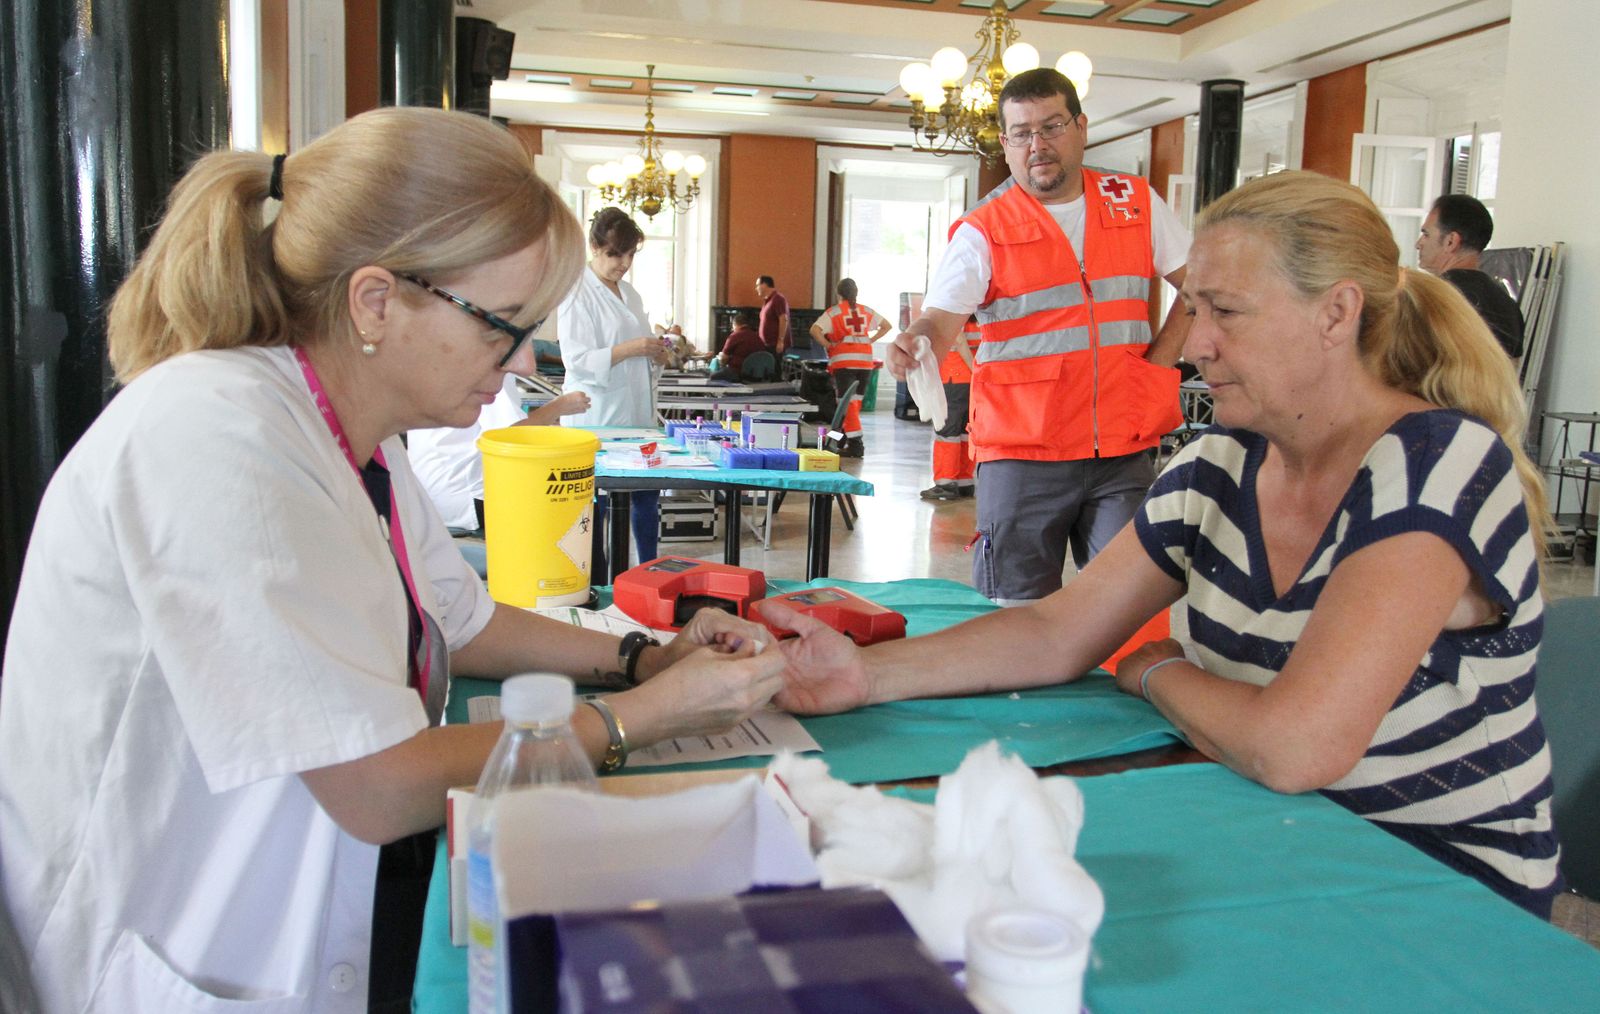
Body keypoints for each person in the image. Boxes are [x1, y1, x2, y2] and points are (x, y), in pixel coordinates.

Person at [0, 107, 784, 1013]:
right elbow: (374, 786)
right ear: (377, 301)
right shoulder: (214, 433)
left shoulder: (353, 432)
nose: (523, 358)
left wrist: (646, 657)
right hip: (165, 941)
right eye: (502, 326)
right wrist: (641, 718)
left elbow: (462, 616)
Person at [772, 171, 1563, 919]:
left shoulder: (1436, 462)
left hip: (1435, 881)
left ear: (1336, 312)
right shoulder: (1221, 463)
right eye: (1195, 310)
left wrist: (1159, 671)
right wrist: (863, 675)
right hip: (1270, 831)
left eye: (1226, 312)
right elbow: (1056, 630)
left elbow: (1294, 746)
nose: (1193, 346)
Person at [886, 68, 1192, 608]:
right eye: (1022, 133)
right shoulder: (984, 228)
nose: (1038, 145)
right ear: (1005, 144)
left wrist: (1157, 366)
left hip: (1123, 447)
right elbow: (941, 319)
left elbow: (1199, 289)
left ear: (1080, 126)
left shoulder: (1134, 201)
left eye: (1051, 127)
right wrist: (915, 339)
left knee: (1127, 608)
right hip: (1022, 453)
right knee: (1014, 613)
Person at [558, 207, 672, 568]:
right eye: (614, 253)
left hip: (637, 414)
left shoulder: (630, 294)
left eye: (629, 255)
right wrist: (632, 349)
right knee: (600, 504)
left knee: (645, 496)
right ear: (594, 246)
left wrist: (655, 353)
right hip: (598, 414)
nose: (623, 263)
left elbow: (639, 345)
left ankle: (649, 570)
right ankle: (598, 579)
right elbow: (576, 359)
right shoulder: (576, 292)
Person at [408, 375, 589, 534]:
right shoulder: (489, 365)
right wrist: (559, 407)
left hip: (425, 498)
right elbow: (510, 435)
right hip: (464, 498)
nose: (528, 366)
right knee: (576, 511)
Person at [1416, 193, 1525, 359]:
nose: (1418, 244)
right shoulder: (1508, 307)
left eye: (1426, 234)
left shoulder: (1434, 298)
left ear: (1451, 241)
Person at [810, 278, 890, 458]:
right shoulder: (865, 311)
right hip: (865, 363)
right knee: (853, 404)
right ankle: (838, 439)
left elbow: (815, 330)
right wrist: (870, 340)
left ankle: (856, 444)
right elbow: (887, 325)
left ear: (839, 293)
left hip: (844, 363)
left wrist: (828, 344)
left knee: (847, 405)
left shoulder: (834, 313)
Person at [922, 317, 982, 501]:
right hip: (970, 383)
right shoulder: (980, 318)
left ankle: (945, 484)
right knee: (965, 432)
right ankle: (965, 482)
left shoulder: (956, 313)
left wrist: (974, 370)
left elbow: (960, 341)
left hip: (953, 377)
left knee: (946, 433)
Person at [714, 307, 767, 379]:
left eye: (733, 327)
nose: (732, 329)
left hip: (738, 372)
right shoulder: (757, 337)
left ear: (735, 324)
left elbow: (724, 359)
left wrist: (719, 357)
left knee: (713, 376)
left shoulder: (734, 336)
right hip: (757, 374)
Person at [756, 274, 790, 356]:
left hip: (775, 346)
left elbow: (783, 319)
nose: (756, 288)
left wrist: (780, 341)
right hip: (767, 345)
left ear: (764, 285)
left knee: (775, 368)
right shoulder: (768, 300)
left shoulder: (778, 298)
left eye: (757, 285)